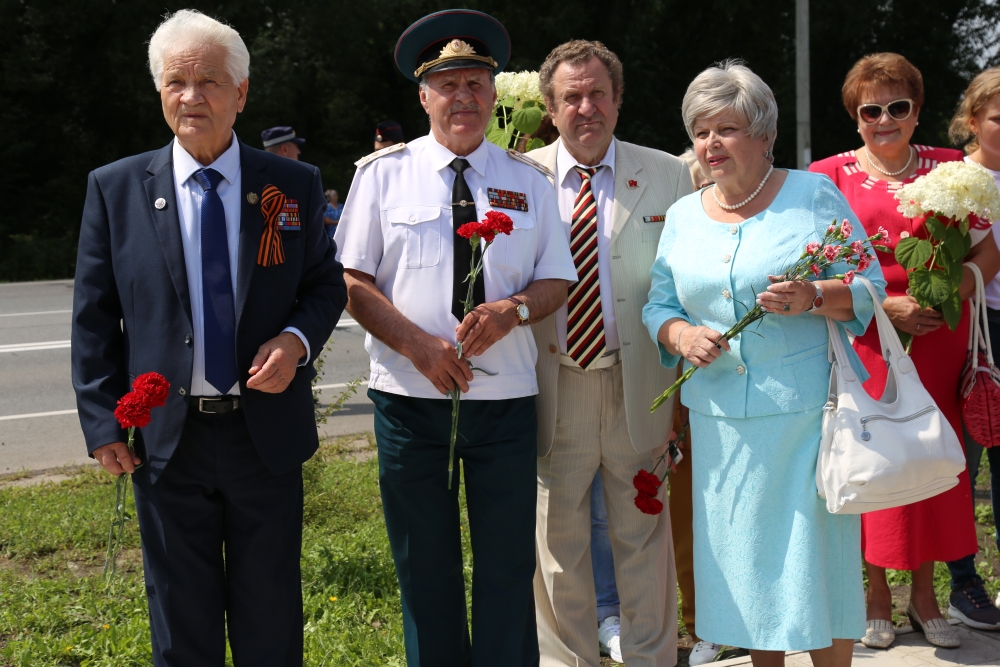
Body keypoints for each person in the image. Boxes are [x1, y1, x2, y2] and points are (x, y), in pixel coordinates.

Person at [71, 9, 346, 666]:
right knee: (179, 616)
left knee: (270, 615)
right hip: (168, 442)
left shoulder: (291, 184)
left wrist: (295, 340)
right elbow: (93, 314)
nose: (191, 97)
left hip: (265, 437)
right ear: (160, 91)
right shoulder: (115, 189)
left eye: (209, 82)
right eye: (176, 82)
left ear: (241, 93)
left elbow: (324, 286)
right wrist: (104, 419)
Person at [334, 10, 577, 666]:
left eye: (475, 82)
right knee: (425, 567)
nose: (462, 96)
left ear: (495, 95)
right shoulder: (382, 176)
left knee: (505, 569)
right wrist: (417, 344)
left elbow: (557, 278)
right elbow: (351, 280)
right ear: (423, 96)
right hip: (411, 402)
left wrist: (513, 311)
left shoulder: (528, 181)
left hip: (504, 404)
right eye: (447, 85)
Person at [643, 60, 887, 667]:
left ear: (764, 134)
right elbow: (659, 305)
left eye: (725, 128)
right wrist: (680, 336)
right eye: (701, 131)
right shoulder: (682, 215)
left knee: (815, 563)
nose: (710, 143)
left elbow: (870, 284)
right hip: (720, 423)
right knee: (744, 564)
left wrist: (815, 297)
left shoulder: (812, 195)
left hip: (805, 415)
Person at [810, 53, 1000, 647]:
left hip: (938, 338)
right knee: (874, 458)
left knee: (930, 462)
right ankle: (874, 596)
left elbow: (987, 255)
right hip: (864, 334)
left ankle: (924, 597)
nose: (885, 118)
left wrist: (952, 292)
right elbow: (817, 267)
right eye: (872, 109)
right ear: (855, 116)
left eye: (899, 106)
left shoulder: (952, 170)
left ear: (918, 112)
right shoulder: (826, 177)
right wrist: (881, 306)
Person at [527, 39, 692, 667]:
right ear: (551, 105)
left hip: (640, 383)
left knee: (644, 541)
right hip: (555, 385)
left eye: (598, 93)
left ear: (618, 101)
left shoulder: (669, 174)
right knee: (557, 545)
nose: (586, 107)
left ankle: (653, 658)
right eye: (572, 96)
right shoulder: (520, 176)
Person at [949, 66, 1000, 617]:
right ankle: (964, 583)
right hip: (975, 332)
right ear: (973, 121)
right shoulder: (956, 179)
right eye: (997, 118)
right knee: (966, 462)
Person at [671, 149, 720, 667]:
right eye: (702, 181)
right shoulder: (677, 232)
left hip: (742, 391)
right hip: (679, 384)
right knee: (686, 512)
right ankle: (700, 622)